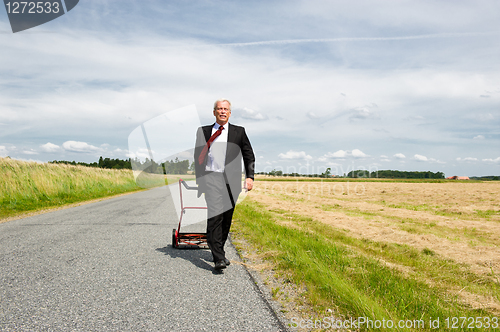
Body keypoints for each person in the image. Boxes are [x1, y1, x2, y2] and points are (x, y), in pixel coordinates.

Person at [194, 98, 255, 270]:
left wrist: (250, 177)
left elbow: (248, 155)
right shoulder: (204, 131)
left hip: (232, 180)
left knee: (226, 217)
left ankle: (219, 250)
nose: (222, 111)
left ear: (229, 112)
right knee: (215, 216)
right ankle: (218, 258)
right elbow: (198, 156)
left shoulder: (239, 132)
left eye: (225, 109)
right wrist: (201, 181)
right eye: (219, 109)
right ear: (214, 112)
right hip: (211, 177)